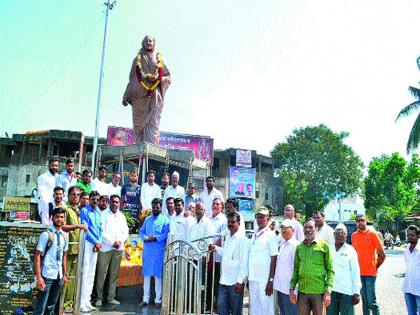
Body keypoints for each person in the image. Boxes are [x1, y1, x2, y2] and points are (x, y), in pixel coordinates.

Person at [122, 35, 171, 145]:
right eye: (146, 41)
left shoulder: (159, 59)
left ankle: (151, 154)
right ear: (142, 43)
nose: (148, 43)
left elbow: (168, 77)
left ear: (154, 43)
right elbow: (132, 78)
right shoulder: (137, 59)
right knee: (139, 128)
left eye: (150, 41)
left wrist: (158, 79)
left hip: (154, 96)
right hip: (139, 97)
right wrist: (126, 95)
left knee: (153, 125)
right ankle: (140, 154)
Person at [289, 219, 334, 315]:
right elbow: (296, 269)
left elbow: (330, 270)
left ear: (316, 229)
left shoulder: (324, 245)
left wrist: (328, 292)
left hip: (318, 292)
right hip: (302, 292)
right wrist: (292, 289)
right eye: (305, 227)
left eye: (311, 227)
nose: (308, 230)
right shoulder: (299, 247)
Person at [209, 212, 249, 315]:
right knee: (221, 309)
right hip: (224, 281)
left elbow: (244, 262)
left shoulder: (243, 240)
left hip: (235, 283)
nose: (230, 224)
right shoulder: (228, 238)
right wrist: (216, 248)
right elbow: (225, 253)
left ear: (239, 223)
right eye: (229, 222)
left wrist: (240, 281)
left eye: (233, 222)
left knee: (236, 312)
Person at [33, 207, 68, 315]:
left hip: (59, 276)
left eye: (61, 217)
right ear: (52, 218)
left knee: (51, 307)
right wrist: (39, 278)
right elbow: (37, 255)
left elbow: (64, 256)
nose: (59, 219)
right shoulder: (46, 235)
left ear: (64, 219)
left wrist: (65, 274)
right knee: (41, 307)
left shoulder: (65, 236)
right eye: (57, 217)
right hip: (47, 275)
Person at [95, 195, 129, 307]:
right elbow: (102, 231)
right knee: (102, 274)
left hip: (118, 249)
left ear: (119, 203)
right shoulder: (103, 215)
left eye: (117, 202)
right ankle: (99, 298)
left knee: (114, 274)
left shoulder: (122, 216)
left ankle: (110, 297)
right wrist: (112, 242)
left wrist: (119, 241)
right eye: (113, 202)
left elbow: (126, 232)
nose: (115, 204)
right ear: (109, 203)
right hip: (105, 248)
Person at [351, 214, 386, 315]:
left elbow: (383, 255)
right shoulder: (354, 236)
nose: (360, 222)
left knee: (372, 302)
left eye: (362, 220)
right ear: (356, 223)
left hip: (370, 274)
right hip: (359, 274)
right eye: (358, 220)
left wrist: (375, 266)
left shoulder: (373, 234)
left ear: (366, 221)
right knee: (365, 302)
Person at [139, 198, 170, 309]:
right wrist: (146, 238)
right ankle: (145, 299)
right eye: (154, 207)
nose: (155, 209)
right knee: (146, 276)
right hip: (147, 252)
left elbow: (166, 234)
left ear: (161, 207)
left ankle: (158, 300)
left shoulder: (165, 220)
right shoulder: (147, 219)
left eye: (157, 207)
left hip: (158, 253)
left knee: (157, 277)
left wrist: (156, 238)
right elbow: (141, 231)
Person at [61, 186, 88, 312]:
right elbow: (61, 226)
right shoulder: (65, 209)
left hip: (77, 248)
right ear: (68, 195)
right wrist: (76, 226)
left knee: (73, 278)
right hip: (67, 249)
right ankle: (61, 305)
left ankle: (68, 304)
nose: (76, 197)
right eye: (73, 194)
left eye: (78, 195)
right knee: (64, 276)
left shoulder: (77, 209)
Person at [248, 206, 277, 315]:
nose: (259, 220)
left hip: (264, 279)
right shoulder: (255, 234)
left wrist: (270, 281)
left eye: (262, 217)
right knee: (254, 308)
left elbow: (274, 259)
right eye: (258, 217)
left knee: (266, 308)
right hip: (253, 277)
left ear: (268, 219)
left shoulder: (271, 235)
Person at [327, 224, 361, 315]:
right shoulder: (329, 249)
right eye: (337, 232)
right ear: (334, 234)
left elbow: (355, 272)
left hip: (347, 290)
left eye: (343, 232)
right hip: (331, 290)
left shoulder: (351, 250)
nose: (340, 234)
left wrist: (356, 292)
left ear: (346, 235)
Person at [79, 191, 103, 312]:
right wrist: (95, 242)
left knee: (92, 273)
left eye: (97, 199)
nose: (95, 201)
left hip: (96, 244)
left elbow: (100, 228)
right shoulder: (84, 211)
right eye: (93, 199)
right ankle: (81, 303)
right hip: (88, 243)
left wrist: (99, 242)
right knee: (86, 272)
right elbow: (85, 229)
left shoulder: (98, 212)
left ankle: (87, 301)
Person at [273, 219, 299, 315]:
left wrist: (294, 289)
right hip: (280, 287)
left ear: (293, 230)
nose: (283, 230)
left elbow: (297, 270)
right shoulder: (282, 244)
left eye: (286, 228)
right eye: (282, 228)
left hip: (290, 290)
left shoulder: (296, 246)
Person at [403, 225, 420, 315]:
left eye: (412, 235)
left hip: (419, 289)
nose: (409, 237)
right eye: (408, 235)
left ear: (418, 236)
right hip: (408, 287)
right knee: (411, 313)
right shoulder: (406, 249)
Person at [37, 158, 59, 223]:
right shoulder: (43, 177)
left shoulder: (59, 177)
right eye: (53, 165)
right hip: (46, 206)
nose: (54, 167)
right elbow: (42, 193)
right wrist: (49, 205)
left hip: (57, 205)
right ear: (49, 166)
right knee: (46, 226)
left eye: (56, 166)